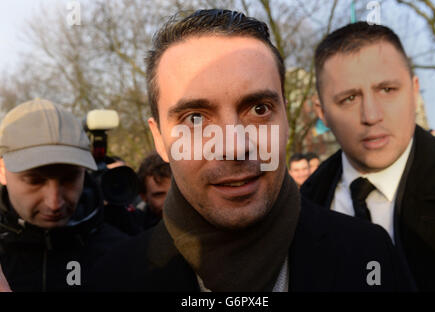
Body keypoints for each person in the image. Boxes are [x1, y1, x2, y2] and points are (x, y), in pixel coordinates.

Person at [89, 9, 413, 292]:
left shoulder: (369, 256)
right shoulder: (111, 279)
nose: (235, 147)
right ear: (159, 138)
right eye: (196, 118)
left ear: (286, 117)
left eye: (259, 109)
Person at [301, 22, 435, 291]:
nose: (371, 115)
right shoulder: (299, 212)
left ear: (415, 92)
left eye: (387, 90)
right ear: (321, 112)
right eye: (349, 98)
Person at [0, 99, 127, 291]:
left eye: (69, 179)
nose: (54, 203)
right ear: (2, 171)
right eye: (35, 181)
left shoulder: (123, 255)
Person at [137, 152, 171, 228]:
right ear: (143, 197)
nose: (171, 201)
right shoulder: (137, 231)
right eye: (159, 195)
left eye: (176, 193)